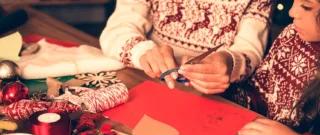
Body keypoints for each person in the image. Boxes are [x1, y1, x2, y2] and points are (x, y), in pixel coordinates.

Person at [183, 0, 319, 135]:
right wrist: (218, 83)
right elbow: (257, 95)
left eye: (307, 7)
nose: (291, 12)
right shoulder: (294, 35)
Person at [100, 0, 273, 91]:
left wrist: (230, 62)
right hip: (149, 84)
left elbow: (250, 51)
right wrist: (143, 52)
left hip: (216, 98)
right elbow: (117, 29)